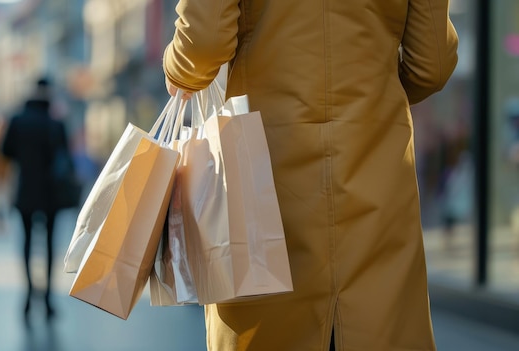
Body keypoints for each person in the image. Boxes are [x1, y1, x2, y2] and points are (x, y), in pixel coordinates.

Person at [163, 1, 458, 351]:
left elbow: (204, 43)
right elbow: (432, 65)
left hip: (265, 184)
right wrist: (373, 92)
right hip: (375, 178)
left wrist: (175, 70)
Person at [1, 77, 70, 320]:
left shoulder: (18, 121)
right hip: (51, 193)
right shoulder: (56, 123)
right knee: (50, 244)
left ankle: (29, 294)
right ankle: (49, 298)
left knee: (27, 242)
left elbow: (5, 151)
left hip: (26, 190)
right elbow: (66, 156)